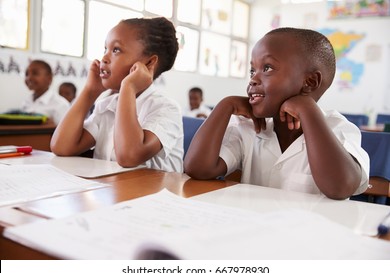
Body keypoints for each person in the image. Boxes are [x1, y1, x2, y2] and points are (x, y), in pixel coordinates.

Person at [184, 27, 369, 200]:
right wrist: (225, 106)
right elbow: (197, 168)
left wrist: (308, 110)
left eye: (267, 68)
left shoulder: (339, 128)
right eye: (252, 70)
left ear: (310, 82)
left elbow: (341, 187)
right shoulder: (248, 127)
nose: (253, 79)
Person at [50, 17, 183, 172]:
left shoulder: (166, 109)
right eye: (105, 49)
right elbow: (61, 146)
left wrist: (129, 86)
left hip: (155, 195)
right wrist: (89, 92)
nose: (104, 58)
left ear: (149, 63)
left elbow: (129, 156)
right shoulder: (107, 106)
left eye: (116, 50)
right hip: (113, 193)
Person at [21, 60, 70, 124]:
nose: (29, 78)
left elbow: (66, 132)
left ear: (49, 78)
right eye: (27, 74)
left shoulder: (61, 105)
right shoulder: (26, 101)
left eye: (35, 73)